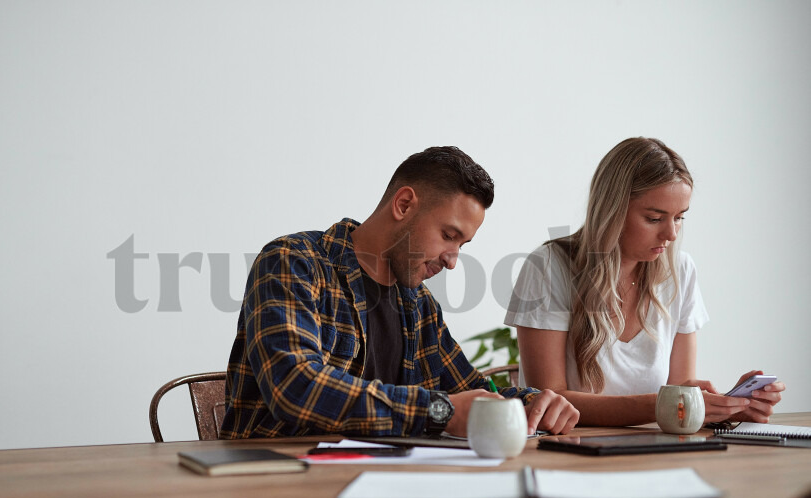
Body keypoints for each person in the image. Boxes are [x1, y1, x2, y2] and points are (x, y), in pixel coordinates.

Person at [221, 146, 579, 439]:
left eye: (462, 244)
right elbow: (295, 386)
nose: (452, 261)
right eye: (449, 235)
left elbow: (470, 389)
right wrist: (438, 411)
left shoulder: (421, 307)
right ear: (404, 204)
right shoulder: (293, 262)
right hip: (279, 489)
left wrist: (533, 403)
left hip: (384, 491)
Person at [505, 137, 785, 426]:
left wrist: (727, 406)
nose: (671, 234)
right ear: (611, 211)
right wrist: (665, 405)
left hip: (656, 450)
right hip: (572, 451)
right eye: (654, 218)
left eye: (679, 218)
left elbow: (680, 390)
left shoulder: (681, 270)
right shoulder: (548, 267)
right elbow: (549, 401)